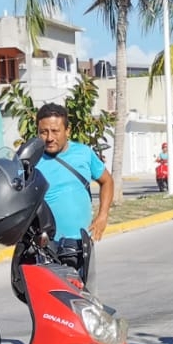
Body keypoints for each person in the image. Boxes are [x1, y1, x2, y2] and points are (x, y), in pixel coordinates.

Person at [35, 102, 113, 247]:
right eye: (44, 132)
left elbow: (107, 181)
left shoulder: (84, 153)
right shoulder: (32, 160)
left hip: (80, 244)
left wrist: (103, 216)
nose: (49, 137)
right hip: (45, 246)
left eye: (55, 131)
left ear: (67, 130)